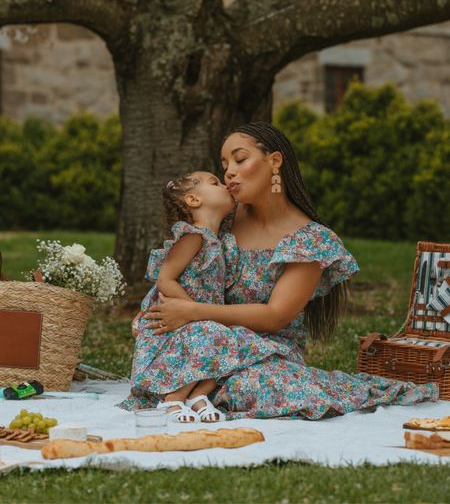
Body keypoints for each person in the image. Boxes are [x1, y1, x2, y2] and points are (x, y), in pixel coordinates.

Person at [144, 122, 439, 419]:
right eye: (224, 165)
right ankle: (193, 393)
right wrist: (159, 307)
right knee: (192, 368)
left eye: (240, 159)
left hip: (266, 351)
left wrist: (191, 311)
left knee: (255, 385)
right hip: (206, 341)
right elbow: (185, 272)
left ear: (274, 161)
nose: (229, 172)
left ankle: (198, 391)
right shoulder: (221, 219)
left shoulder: (309, 241)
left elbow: (275, 317)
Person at [119, 169, 292, 422]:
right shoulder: (193, 236)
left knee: (231, 341)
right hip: (177, 321)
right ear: (193, 200)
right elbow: (165, 279)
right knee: (213, 335)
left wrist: (200, 317)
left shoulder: (217, 240)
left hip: (198, 321)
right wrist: (192, 312)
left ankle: (197, 396)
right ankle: (172, 399)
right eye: (215, 183)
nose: (224, 185)